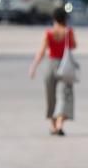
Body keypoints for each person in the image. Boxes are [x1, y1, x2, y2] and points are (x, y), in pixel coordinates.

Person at [29, 7, 77, 136]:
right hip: (65, 65)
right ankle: (60, 124)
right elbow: (74, 45)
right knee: (64, 95)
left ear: (54, 19)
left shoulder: (49, 33)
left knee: (51, 96)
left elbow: (41, 52)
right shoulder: (68, 32)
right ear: (65, 19)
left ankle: (53, 125)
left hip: (51, 65)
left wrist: (33, 67)